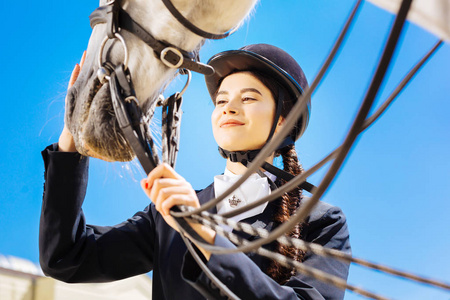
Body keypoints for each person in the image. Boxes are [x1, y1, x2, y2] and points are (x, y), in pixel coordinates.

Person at [40, 44, 351, 299]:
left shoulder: (323, 221)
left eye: (248, 98)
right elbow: (66, 258)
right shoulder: (165, 216)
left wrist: (203, 234)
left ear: (284, 118)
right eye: (221, 100)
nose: (228, 108)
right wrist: (71, 139)